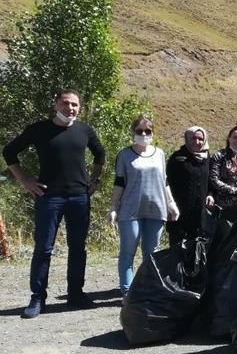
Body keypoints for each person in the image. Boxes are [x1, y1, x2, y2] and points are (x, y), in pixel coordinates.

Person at [3, 90, 106, 318]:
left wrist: (94, 181)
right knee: (44, 248)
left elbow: (101, 154)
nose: (70, 109)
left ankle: (76, 295)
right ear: (55, 104)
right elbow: (9, 152)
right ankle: (37, 298)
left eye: (75, 105)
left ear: (80, 107)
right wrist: (25, 181)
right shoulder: (39, 129)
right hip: (49, 197)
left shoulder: (85, 130)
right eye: (66, 103)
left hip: (80, 197)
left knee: (78, 247)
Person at [110, 115, 180, 295]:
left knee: (152, 253)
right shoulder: (124, 155)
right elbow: (119, 182)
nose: (143, 134)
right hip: (129, 210)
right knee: (128, 251)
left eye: (147, 131)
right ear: (133, 132)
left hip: (156, 209)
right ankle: (128, 291)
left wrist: (171, 203)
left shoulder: (160, 153)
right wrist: (113, 208)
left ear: (153, 133)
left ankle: (148, 288)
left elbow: (164, 181)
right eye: (139, 131)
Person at [166, 126, 212, 247]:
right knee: (177, 251)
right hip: (179, 212)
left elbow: (210, 180)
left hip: (199, 214)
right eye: (193, 138)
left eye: (200, 139)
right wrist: (169, 206)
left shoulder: (207, 159)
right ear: (187, 139)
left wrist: (211, 194)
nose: (197, 142)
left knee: (196, 250)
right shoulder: (177, 158)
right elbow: (166, 183)